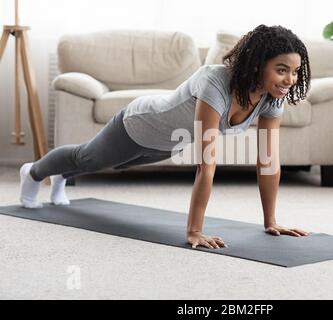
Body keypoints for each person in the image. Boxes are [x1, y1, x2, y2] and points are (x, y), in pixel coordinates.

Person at [19, 24, 311, 249]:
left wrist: (271, 222)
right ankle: (33, 173)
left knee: (112, 165)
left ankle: (60, 175)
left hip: (170, 144)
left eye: (295, 72)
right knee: (87, 158)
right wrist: (194, 231)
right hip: (138, 125)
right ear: (258, 64)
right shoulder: (216, 82)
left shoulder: (273, 97)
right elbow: (206, 164)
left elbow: (268, 160)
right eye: (282, 70)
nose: (290, 80)